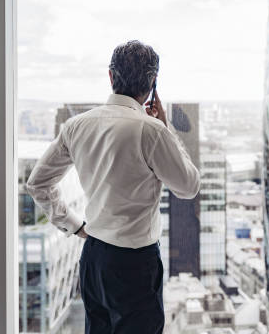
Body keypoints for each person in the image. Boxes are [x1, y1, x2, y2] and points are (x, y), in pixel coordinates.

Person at [26, 40, 200, 334]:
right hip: (136, 263)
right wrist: (166, 127)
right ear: (152, 83)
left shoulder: (77, 125)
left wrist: (74, 225)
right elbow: (188, 186)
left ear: (110, 77)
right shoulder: (151, 129)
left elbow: (38, 183)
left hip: (94, 257)